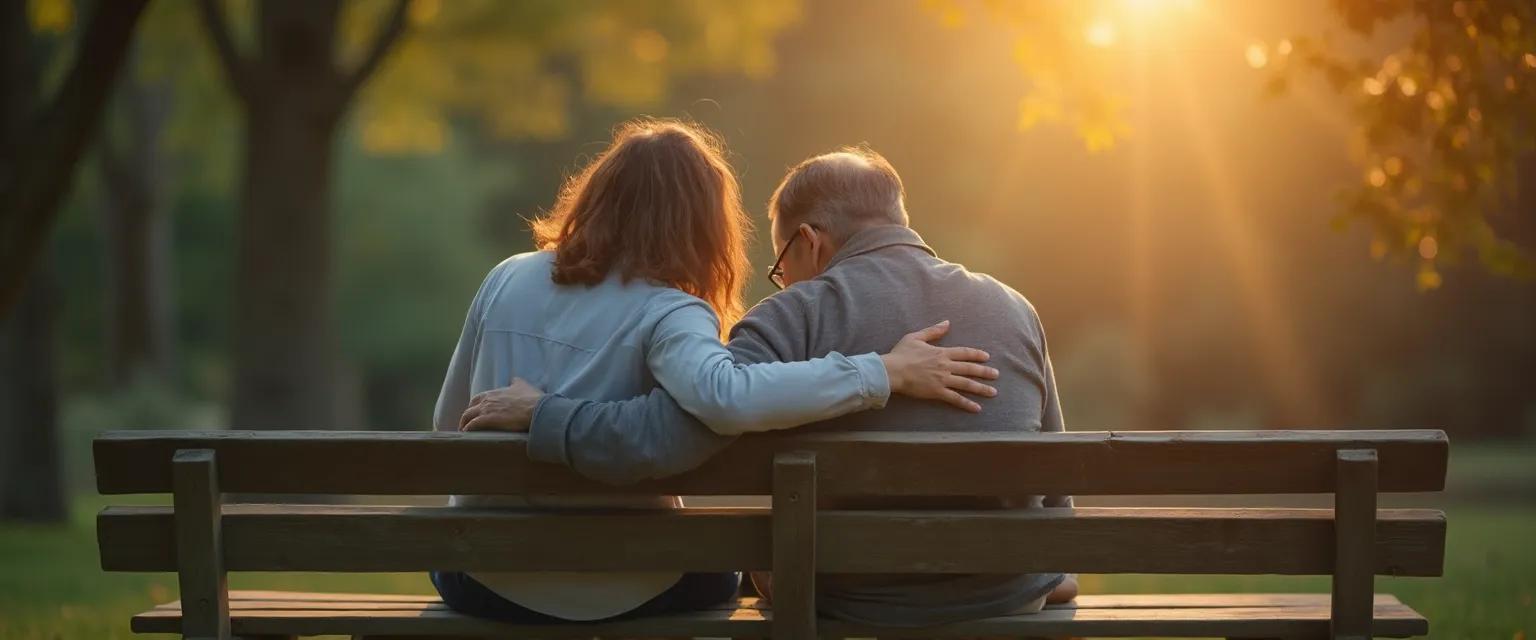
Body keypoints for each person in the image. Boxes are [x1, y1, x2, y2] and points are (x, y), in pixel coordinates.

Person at [463, 147, 1079, 626]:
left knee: (761, 567)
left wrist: (547, 417)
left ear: (809, 240)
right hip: (1006, 593)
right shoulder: (1014, 307)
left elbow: (680, 429)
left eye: (781, 265)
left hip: (848, 600)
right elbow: (1054, 479)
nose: (782, 282)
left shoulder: (790, 318)